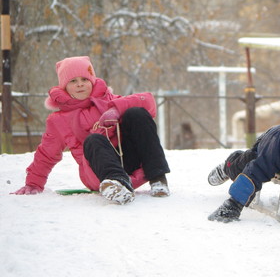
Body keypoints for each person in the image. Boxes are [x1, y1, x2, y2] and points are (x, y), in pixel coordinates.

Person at [11, 56, 171, 204]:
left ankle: (158, 179)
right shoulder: (58, 120)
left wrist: (115, 109)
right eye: (73, 81)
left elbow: (148, 101)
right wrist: (33, 183)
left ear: (92, 82)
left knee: (136, 113)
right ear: (65, 87)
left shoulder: (108, 99)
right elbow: (46, 154)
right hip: (98, 171)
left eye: (84, 79)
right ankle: (118, 185)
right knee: (93, 139)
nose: (80, 84)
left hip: (127, 158)